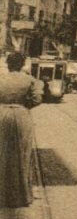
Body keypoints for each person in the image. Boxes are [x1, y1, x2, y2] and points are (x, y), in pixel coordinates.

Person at [0, 52, 43, 207]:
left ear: (8, 64)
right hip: (22, 115)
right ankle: (20, 196)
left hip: (1, 115)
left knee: (1, 154)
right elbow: (37, 99)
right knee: (23, 154)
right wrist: (23, 106)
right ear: (22, 64)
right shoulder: (29, 80)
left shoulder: (1, 78)